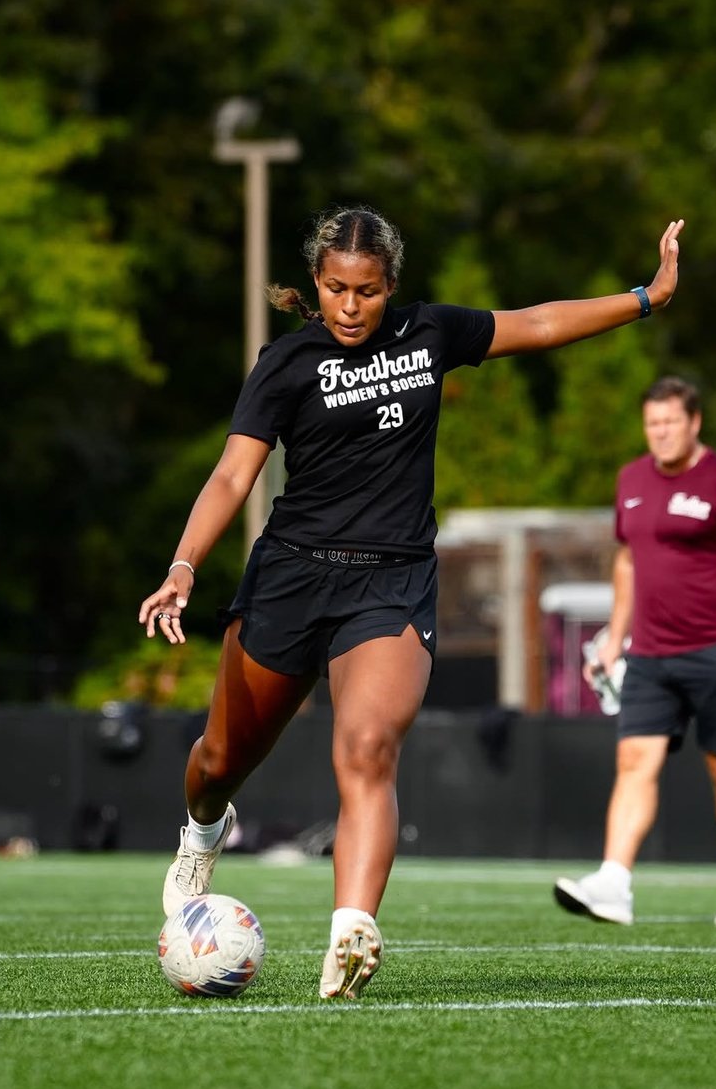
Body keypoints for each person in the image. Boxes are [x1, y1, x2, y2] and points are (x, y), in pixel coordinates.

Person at [139, 205, 685, 999]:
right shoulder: (285, 364)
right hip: (291, 575)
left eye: (365, 291)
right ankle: (203, 830)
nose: (349, 306)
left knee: (366, 750)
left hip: (388, 581)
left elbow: (534, 323)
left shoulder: (429, 335)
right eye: (333, 289)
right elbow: (232, 476)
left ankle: (351, 930)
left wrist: (645, 297)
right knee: (221, 760)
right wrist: (184, 564)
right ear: (316, 286)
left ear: (389, 286)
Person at [554, 375, 716, 929]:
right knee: (634, 762)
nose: (660, 433)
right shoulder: (630, 478)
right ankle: (614, 882)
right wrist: (614, 638)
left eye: (671, 423)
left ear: (695, 422)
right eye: (652, 423)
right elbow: (628, 561)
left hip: (714, 651)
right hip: (650, 655)